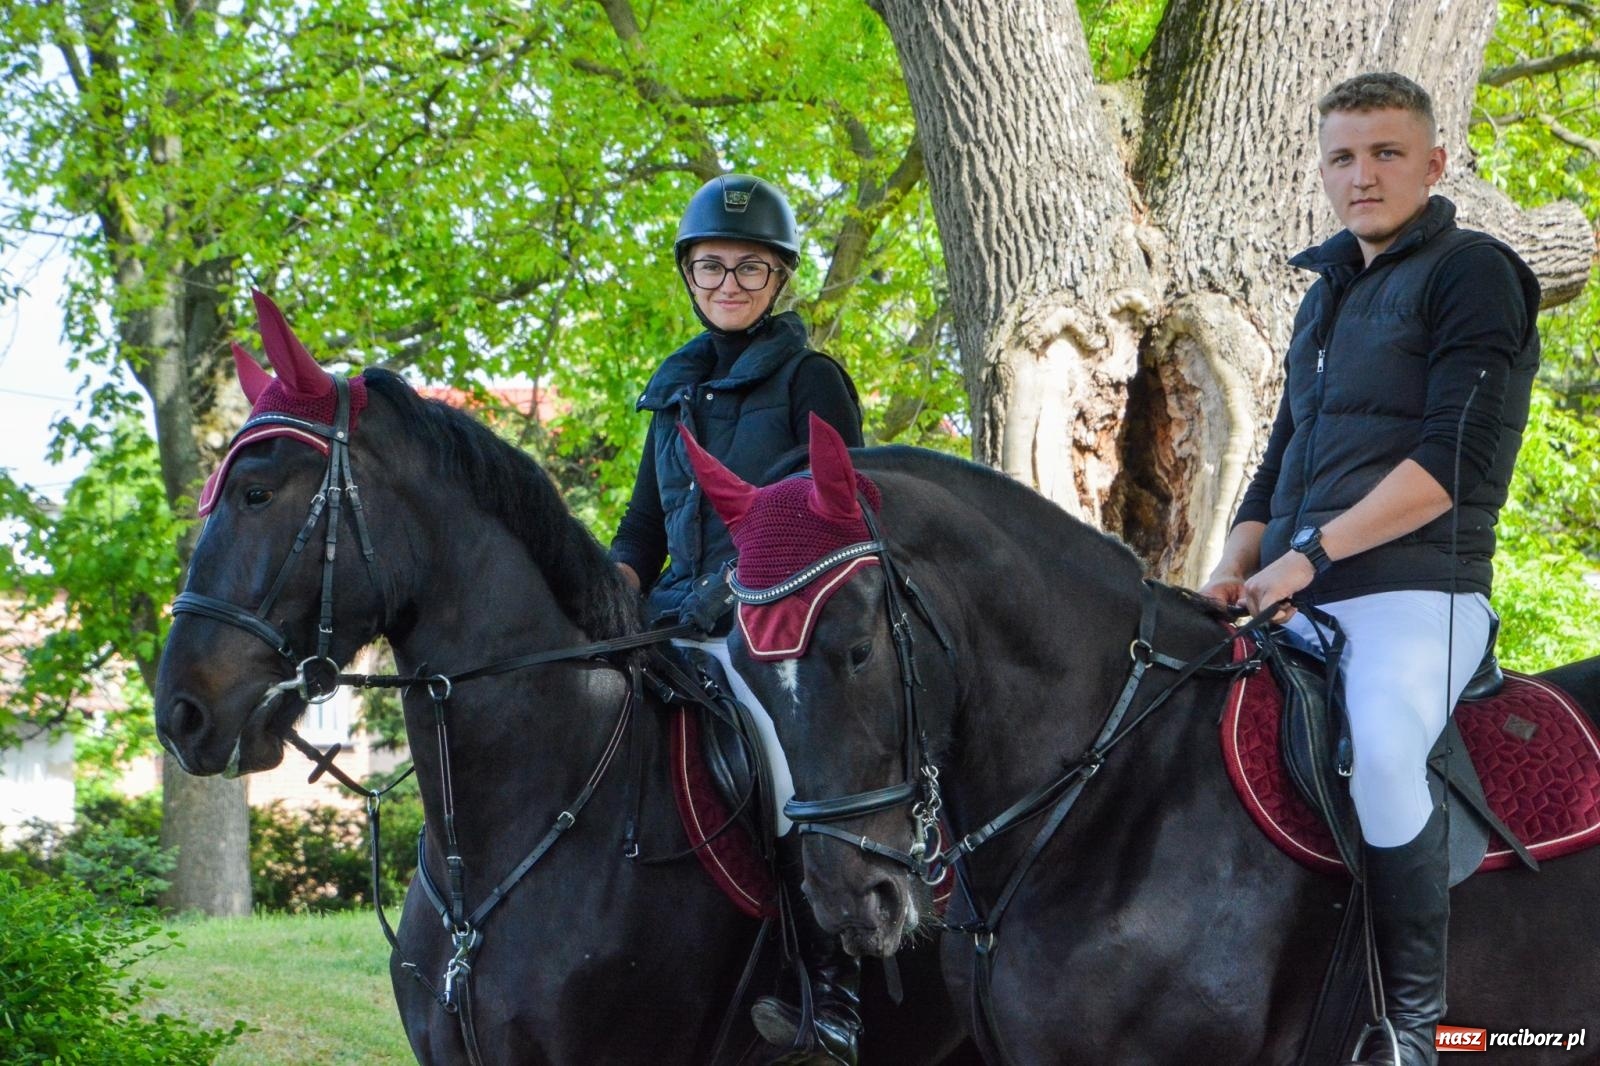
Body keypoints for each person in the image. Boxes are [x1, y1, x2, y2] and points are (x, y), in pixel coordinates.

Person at [1198, 73, 1540, 1066]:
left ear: (1434, 165)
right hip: (1292, 592)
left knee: (1386, 749)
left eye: (1386, 153)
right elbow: (1279, 460)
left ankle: (1414, 1030)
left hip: (1418, 594)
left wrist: (1303, 562)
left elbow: (1447, 467)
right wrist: (1230, 565)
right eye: (1343, 157)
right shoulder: (1324, 296)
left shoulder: (1473, 272)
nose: (1362, 176)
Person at [610, 173, 866, 1065]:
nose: (728, 284)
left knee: (786, 763)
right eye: (711, 267)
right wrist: (610, 593)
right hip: (676, 613)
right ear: (689, 275)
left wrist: (738, 591)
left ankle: (830, 984)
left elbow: (836, 513)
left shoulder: (811, 379)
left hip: (777, 622)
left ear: (779, 281)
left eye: (749, 270)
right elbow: (643, 525)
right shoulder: (670, 390)